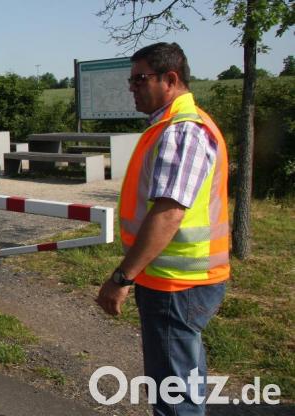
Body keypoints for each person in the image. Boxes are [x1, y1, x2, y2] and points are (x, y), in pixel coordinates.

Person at [95, 42, 229, 415]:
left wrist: (122, 277)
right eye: (131, 80)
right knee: (183, 380)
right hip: (176, 277)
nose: (132, 87)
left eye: (140, 79)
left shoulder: (181, 131)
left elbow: (169, 214)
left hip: (176, 283)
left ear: (170, 79)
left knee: (174, 396)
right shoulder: (173, 126)